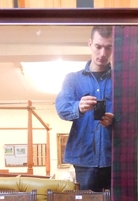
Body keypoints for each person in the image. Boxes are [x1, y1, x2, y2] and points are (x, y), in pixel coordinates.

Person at [55, 26, 114, 192]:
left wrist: (113, 121)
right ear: (90, 44)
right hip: (83, 157)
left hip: (113, 157)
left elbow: (129, 117)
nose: (102, 53)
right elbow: (61, 108)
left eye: (108, 47)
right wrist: (78, 107)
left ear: (113, 48)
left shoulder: (120, 81)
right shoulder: (72, 79)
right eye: (98, 46)